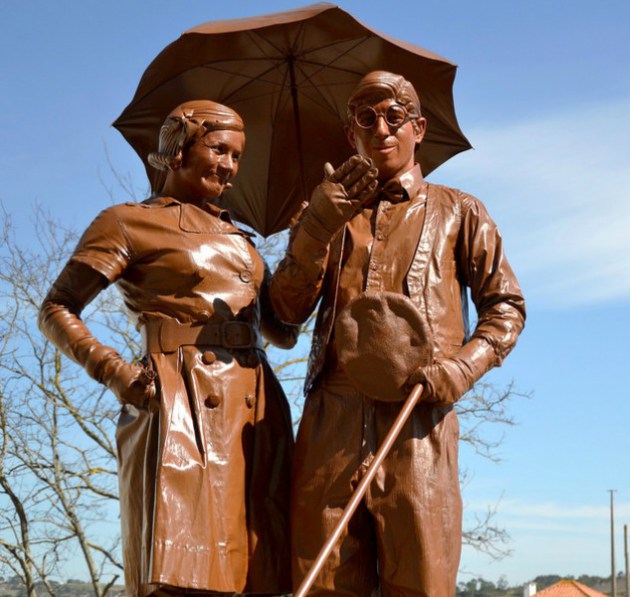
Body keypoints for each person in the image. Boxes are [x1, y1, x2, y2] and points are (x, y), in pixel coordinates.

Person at [269, 70, 526, 596]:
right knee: (321, 581)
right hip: (329, 423)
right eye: (366, 118)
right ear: (350, 135)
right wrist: (314, 228)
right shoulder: (323, 213)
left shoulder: (462, 210)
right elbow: (284, 316)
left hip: (419, 421)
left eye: (395, 116)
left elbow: (506, 307)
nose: (382, 129)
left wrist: (461, 367)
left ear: (420, 127)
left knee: (422, 581)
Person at [38, 100, 297, 596]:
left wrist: (311, 239)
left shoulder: (243, 241)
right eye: (218, 149)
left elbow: (283, 332)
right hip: (179, 403)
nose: (229, 165)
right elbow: (56, 308)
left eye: (237, 156)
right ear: (178, 150)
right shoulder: (127, 222)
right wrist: (116, 373)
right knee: (182, 576)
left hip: (254, 409)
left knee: (258, 572)